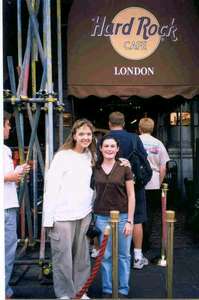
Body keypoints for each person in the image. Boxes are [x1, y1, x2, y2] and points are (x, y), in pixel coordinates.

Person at [43, 119, 96, 300]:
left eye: (88, 134)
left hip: (84, 213)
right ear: (74, 135)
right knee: (63, 259)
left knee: (82, 258)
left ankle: (80, 292)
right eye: (81, 134)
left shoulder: (91, 155)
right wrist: (48, 219)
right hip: (62, 215)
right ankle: (65, 294)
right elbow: (50, 187)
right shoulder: (62, 156)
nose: (85, 137)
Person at [93, 135, 135, 298]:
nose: (109, 149)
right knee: (106, 255)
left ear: (117, 149)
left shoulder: (124, 167)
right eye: (106, 146)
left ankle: (123, 289)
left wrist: (130, 220)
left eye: (112, 146)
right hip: (102, 217)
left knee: (124, 255)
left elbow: (131, 195)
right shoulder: (94, 168)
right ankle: (108, 289)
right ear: (101, 149)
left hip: (123, 216)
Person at [108, 111, 149, 270]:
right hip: (133, 183)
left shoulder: (104, 139)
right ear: (124, 123)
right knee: (136, 218)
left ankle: (109, 254)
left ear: (109, 123)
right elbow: (143, 159)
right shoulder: (134, 138)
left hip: (111, 184)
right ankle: (137, 257)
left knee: (109, 218)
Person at [3, 111, 30, 299]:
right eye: (7, 124)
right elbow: (6, 177)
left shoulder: (4, 150)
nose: (9, 128)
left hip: (9, 205)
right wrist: (8, 177)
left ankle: (4, 289)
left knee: (8, 251)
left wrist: (19, 171)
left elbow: (9, 176)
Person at [138, 117, 170, 249]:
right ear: (153, 128)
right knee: (150, 212)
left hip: (138, 181)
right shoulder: (158, 143)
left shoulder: (136, 141)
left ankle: (137, 241)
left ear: (139, 128)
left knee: (137, 212)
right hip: (154, 181)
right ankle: (146, 241)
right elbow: (163, 167)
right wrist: (159, 182)